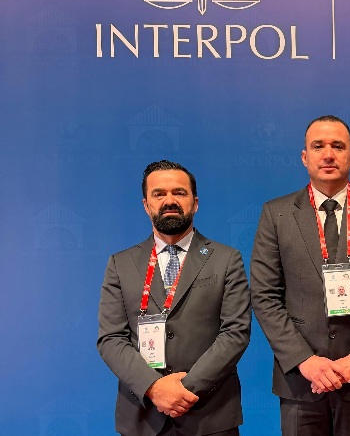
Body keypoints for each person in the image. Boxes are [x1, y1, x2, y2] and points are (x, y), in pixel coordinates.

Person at [250, 115, 350, 436]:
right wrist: (304, 361)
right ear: (304, 157)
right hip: (300, 379)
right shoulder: (276, 214)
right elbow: (264, 295)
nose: (328, 154)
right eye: (318, 146)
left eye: (338, 146)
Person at [97, 160, 251, 436]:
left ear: (195, 203)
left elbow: (235, 332)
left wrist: (184, 389)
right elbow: (111, 338)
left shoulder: (226, 259)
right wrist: (154, 388)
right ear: (146, 205)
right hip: (142, 416)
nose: (169, 201)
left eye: (179, 192)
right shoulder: (120, 264)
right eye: (159, 194)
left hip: (209, 414)